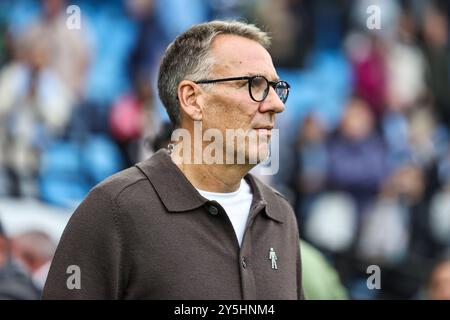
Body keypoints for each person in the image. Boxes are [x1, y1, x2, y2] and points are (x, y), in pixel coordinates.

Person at [42, 20, 303, 299]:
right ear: (192, 99)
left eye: (277, 87)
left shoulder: (279, 213)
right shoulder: (114, 209)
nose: (277, 104)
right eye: (255, 84)